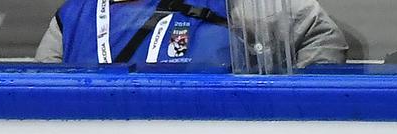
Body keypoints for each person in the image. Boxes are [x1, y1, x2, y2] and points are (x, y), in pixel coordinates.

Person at [35, 0, 346, 68]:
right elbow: (37, 102)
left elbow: (319, 35)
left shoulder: (228, 2)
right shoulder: (71, 18)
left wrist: (297, 108)